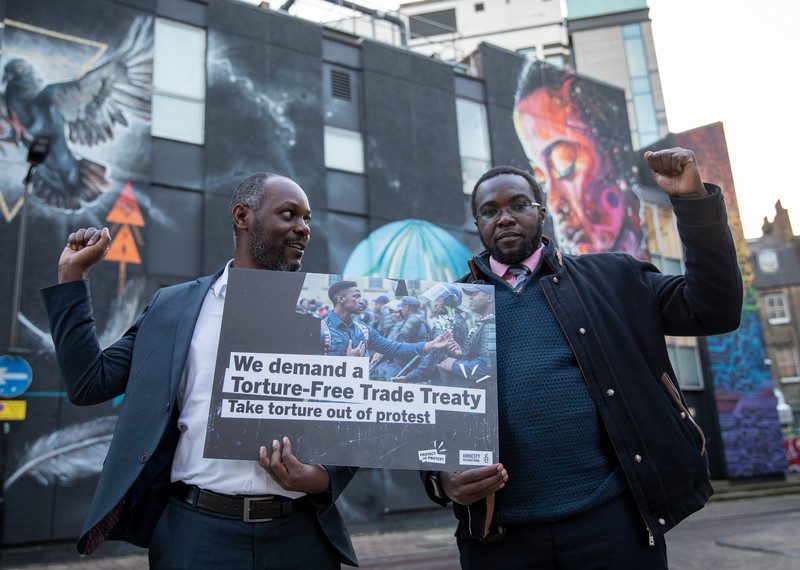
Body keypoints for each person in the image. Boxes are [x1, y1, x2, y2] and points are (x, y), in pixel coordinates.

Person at [421, 148, 743, 569]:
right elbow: (421, 418)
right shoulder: (446, 308)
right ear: (478, 224)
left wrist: (693, 204)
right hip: (500, 537)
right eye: (489, 211)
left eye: (518, 205)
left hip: (613, 522)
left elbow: (714, 308)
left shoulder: (614, 278)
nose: (504, 218)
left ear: (541, 212)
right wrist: (442, 484)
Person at [41, 173, 358, 568]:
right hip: (195, 534)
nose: (303, 228)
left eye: (307, 218)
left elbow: (353, 417)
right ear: (243, 217)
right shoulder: (174, 308)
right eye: (289, 214)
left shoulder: (327, 316)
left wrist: (321, 478)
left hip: (299, 536)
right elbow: (90, 383)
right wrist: (72, 279)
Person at [514, 61, 647, 258]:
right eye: (541, 179)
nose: (553, 203)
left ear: (612, 151)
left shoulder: (655, 283)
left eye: (564, 163)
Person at [320, 281, 448, 363]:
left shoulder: (364, 331)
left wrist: (430, 345)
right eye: (356, 296)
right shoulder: (320, 329)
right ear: (341, 299)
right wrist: (346, 363)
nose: (362, 301)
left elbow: (395, 348)